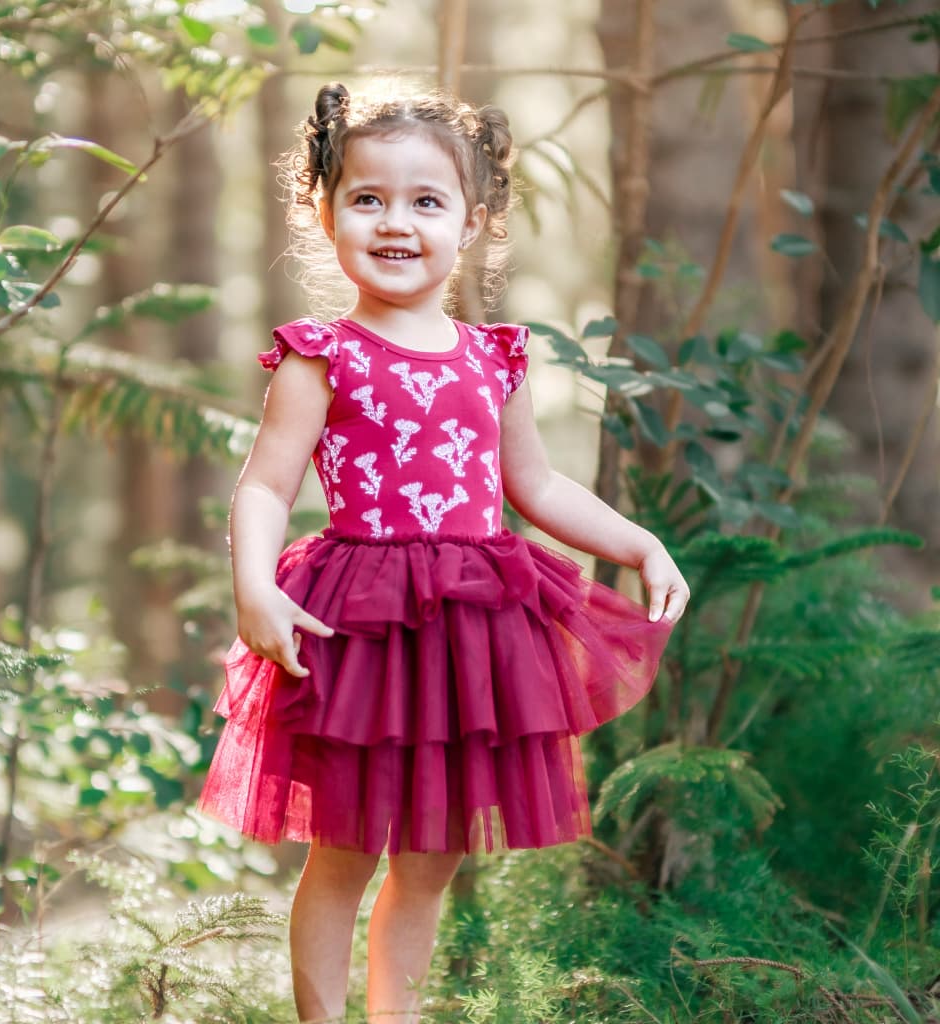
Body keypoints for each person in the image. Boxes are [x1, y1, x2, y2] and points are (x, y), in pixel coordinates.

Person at [197, 80, 689, 1024]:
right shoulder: (321, 354)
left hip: (468, 635)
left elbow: (536, 489)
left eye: (427, 201)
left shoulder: (491, 356)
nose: (396, 222)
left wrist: (640, 543)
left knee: (427, 866)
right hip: (356, 628)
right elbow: (264, 485)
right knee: (342, 855)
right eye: (368, 198)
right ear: (324, 209)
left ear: (472, 222)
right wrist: (253, 584)